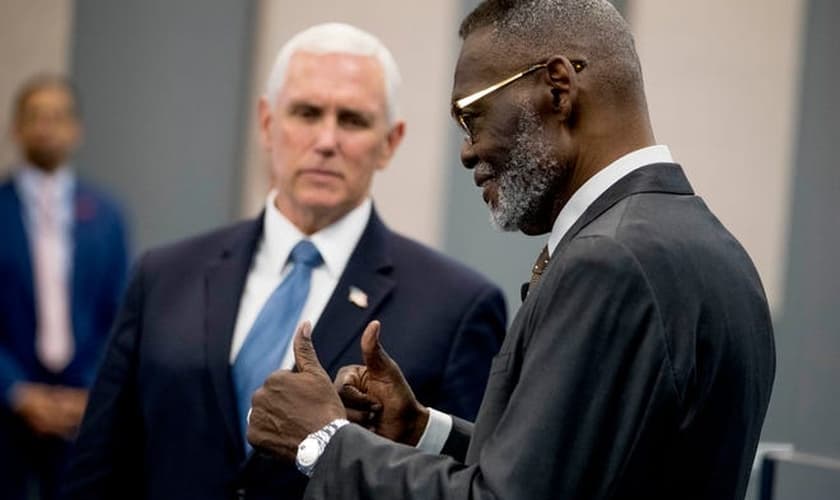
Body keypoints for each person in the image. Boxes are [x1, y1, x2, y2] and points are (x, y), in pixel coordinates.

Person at [245, 2, 777, 499]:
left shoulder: (609, 262)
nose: (467, 150)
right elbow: (570, 472)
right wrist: (421, 429)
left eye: (471, 115)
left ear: (557, 87)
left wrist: (325, 441)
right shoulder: (711, 247)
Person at [63, 22, 506, 500]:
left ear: (390, 142)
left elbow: (461, 485)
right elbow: (98, 466)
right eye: (307, 112)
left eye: (353, 120)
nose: (326, 140)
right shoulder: (163, 276)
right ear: (268, 123)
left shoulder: (456, 306)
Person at [0, 75, 129, 500]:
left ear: (76, 129)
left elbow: (120, 316)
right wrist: (16, 391)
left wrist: (90, 392)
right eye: (35, 116)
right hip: (7, 404)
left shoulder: (107, 216)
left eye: (57, 117)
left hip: (82, 408)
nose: (46, 127)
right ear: (16, 127)